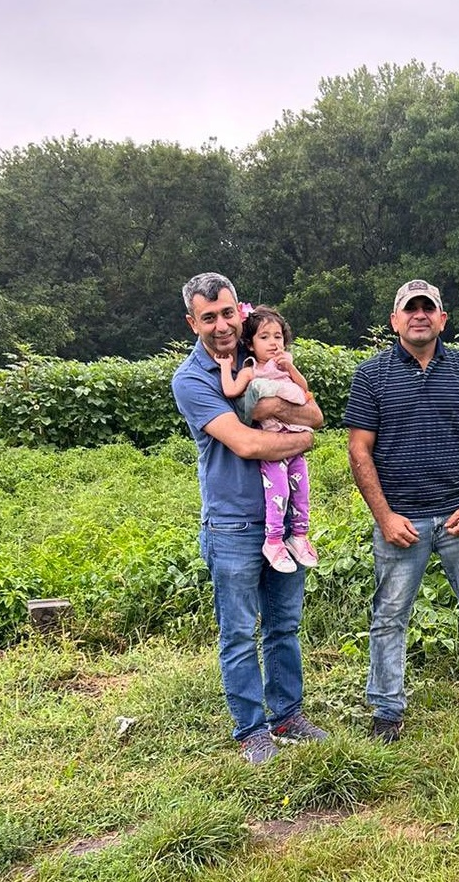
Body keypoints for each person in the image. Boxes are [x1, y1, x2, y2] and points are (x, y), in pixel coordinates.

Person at [171, 271, 328, 764]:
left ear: (240, 310)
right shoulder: (193, 379)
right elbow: (248, 442)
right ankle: (251, 730)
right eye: (209, 317)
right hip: (234, 525)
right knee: (238, 633)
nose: (221, 325)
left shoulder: (261, 352)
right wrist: (298, 439)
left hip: (281, 518)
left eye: (227, 313)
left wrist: (289, 417)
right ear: (192, 321)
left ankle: (287, 714)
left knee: (284, 626)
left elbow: (316, 413)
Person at [344, 278, 459, 742]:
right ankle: (386, 711)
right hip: (401, 520)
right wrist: (384, 516)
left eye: (427, 308)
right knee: (389, 616)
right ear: (395, 320)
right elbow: (359, 451)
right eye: (409, 309)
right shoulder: (370, 376)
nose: (419, 315)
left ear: (442, 318)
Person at [214, 304, 319, 574]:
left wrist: (292, 368)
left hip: (293, 440)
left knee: (302, 489)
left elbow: (304, 390)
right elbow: (230, 390)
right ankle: (273, 541)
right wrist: (226, 366)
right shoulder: (251, 370)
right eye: (264, 337)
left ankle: (299, 536)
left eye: (278, 337)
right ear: (249, 344)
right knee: (279, 493)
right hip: (272, 444)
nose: (273, 343)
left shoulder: (284, 367)